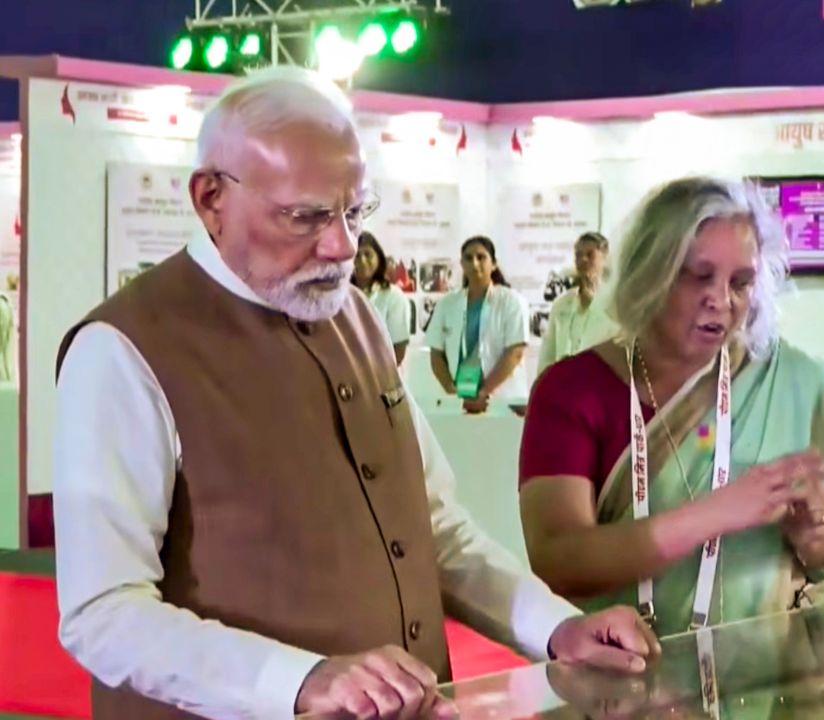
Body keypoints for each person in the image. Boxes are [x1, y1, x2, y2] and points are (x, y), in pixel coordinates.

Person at [52, 67, 658, 720]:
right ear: (210, 199)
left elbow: (434, 529)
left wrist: (555, 629)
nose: (342, 245)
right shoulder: (124, 348)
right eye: (306, 217)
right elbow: (102, 613)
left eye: (354, 212)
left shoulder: (359, 319)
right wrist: (302, 680)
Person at [519, 177, 824, 638]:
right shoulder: (573, 391)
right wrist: (718, 514)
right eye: (699, 276)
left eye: (741, 283)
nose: (722, 300)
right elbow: (559, 559)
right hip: (619, 676)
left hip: (765, 687)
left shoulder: (784, 382)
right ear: (650, 273)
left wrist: (819, 535)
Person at [425, 236, 530, 413]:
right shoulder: (447, 304)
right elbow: (436, 354)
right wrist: (453, 392)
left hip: (504, 402)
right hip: (460, 402)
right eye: (468, 258)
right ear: (462, 264)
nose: (474, 263)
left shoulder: (512, 301)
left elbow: (515, 353)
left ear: (494, 264)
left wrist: (484, 392)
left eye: (481, 257)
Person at [537, 232, 618, 375]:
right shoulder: (561, 304)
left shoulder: (615, 304)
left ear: (605, 258)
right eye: (578, 255)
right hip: (562, 386)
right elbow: (547, 356)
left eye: (590, 254)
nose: (583, 259)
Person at [352, 230, 414, 364]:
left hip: (380, 376)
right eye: (356, 255)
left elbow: (398, 350)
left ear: (379, 259)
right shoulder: (340, 295)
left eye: (368, 255)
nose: (362, 261)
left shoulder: (394, 297)